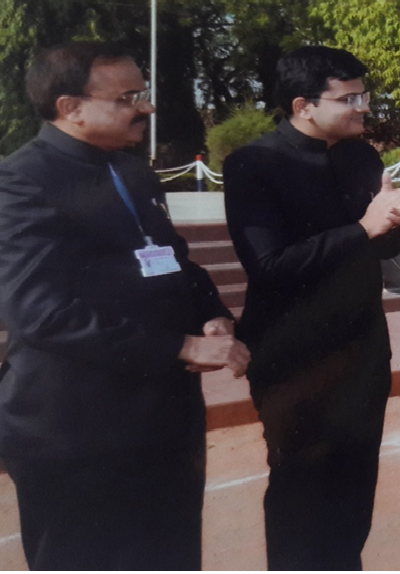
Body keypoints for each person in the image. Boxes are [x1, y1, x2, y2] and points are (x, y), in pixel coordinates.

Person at [0, 41, 250, 570]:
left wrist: (210, 314)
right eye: (128, 98)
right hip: (78, 432)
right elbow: (39, 312)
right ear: (71, 107)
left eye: (143, 93)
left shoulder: (134, 173)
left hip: (163, 421)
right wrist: (181, 346)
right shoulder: (21, 181)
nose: (147, 107)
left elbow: (174, 260)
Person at [223, 46, 400, 570]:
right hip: (295, 356)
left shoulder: (361, 157)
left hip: (361, 347)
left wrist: (390, 222)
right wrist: (364, 227)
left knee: (356, 482)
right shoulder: (255, 164)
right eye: (348, 99)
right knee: (301, 489)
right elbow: (270, 264)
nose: (363, 108)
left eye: (364, 96)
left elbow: (384, 248)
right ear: (303, 105)